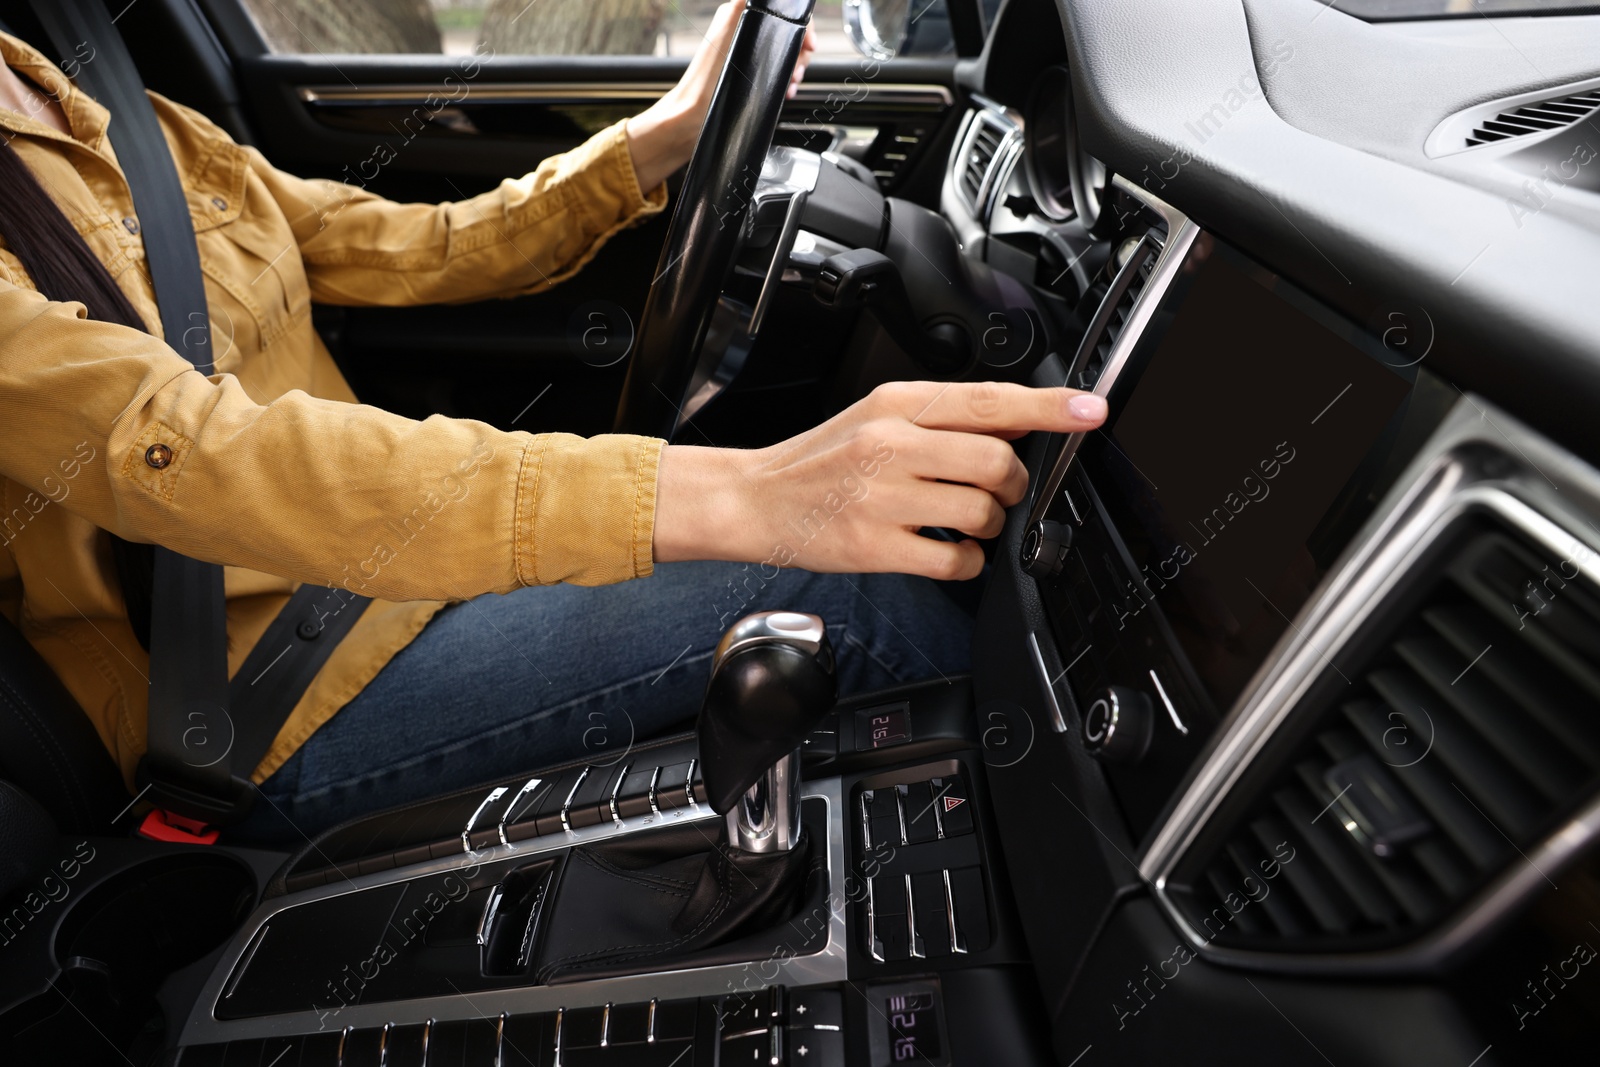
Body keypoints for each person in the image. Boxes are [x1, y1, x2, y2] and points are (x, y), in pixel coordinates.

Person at [0, 3, 1108, 844]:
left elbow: (418, 244)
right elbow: (200, 456)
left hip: (409, 574)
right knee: (850, 592)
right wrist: (745, 492)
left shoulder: (105, 107)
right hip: (264, 699)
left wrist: (664, 138)